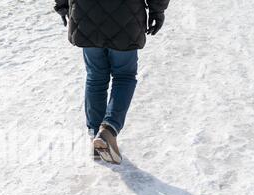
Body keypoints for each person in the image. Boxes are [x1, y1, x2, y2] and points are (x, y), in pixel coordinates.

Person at [54, 0, 170, 164]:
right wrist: (157, 10)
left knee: (95, 77)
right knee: (124, 76)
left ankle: (96, 137)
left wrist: (62, 5)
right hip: (126, 16)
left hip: (85, 13)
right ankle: (108, 129)